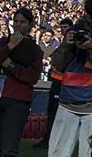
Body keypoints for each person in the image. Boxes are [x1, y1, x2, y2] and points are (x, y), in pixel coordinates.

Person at [0, 8, 43, 157]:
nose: (18, 24)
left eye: (22, 22)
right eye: (16, 21)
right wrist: (10, 47)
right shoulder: (2, 42)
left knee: (10, 148)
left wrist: (11, 65)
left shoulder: (35, 50)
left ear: (30, 25)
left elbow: (32, 76)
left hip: (18, 100)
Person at [47, 0, 92, 157]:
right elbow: (58, 65)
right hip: (68, 101)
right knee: (59, 152)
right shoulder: (76, 29)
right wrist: (66, 44)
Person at [37, 17, 72, 149]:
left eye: (66, 27)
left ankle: (53, 140)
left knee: (58, 112)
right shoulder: (61, 44)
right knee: (52, 111)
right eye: (61, 28)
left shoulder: (70, 45)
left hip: (64, 82)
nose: (63, 30)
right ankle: (48, 139)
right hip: (56, 81)